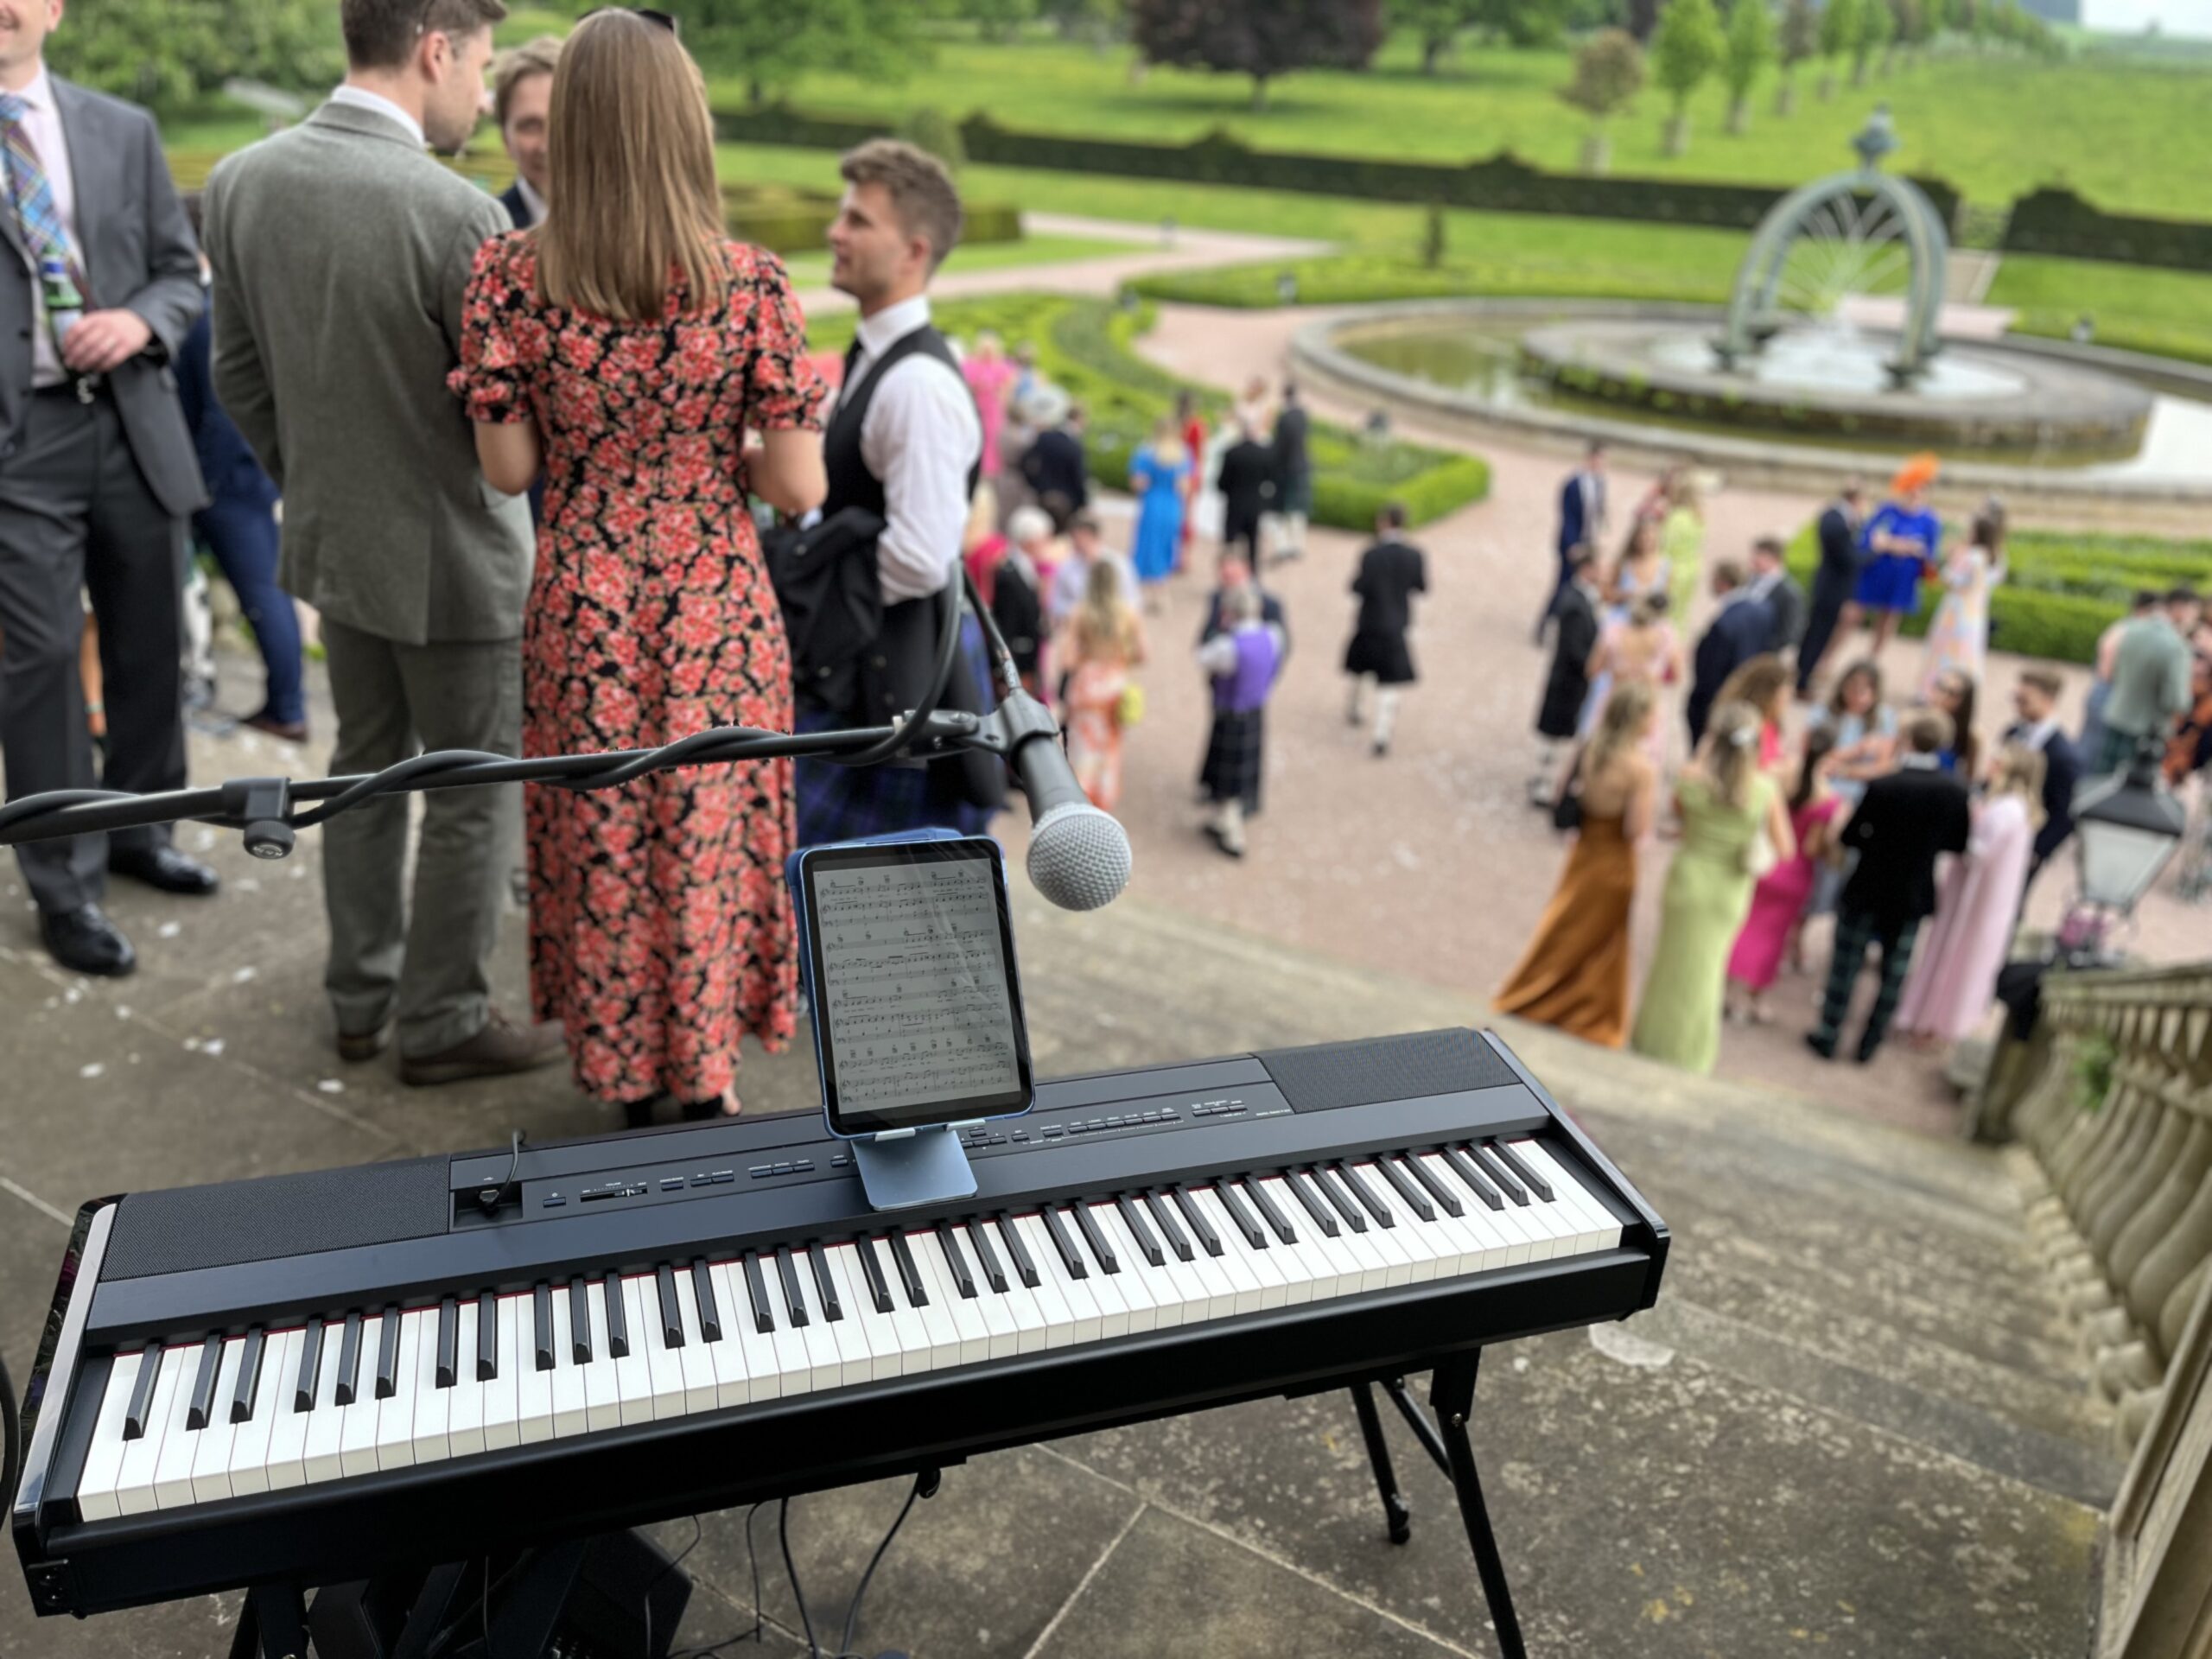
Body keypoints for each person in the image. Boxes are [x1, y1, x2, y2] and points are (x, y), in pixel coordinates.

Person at [452, 10, 825, 1120]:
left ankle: (623, 1079)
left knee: (605, 834)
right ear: (684, 125)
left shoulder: (508, 277)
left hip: (586, 607)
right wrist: (731, 455)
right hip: (716, 604)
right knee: (705, 831)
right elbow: (800, 489)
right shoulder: (750, 284)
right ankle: (705, 1077)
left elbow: (511, 469)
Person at [207, 0, 562, 1079]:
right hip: (463, 565)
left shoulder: (239, 181)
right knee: (469, 797)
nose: (479, 95)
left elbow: (236, 374)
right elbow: (507, 424)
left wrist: (316, 487)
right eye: (483, 66)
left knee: (361, 774)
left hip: (332, 551)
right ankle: (444, 1022)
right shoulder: (457, 214)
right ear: (434, 50)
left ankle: (358, 1000)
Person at [0, 3, 213, 976]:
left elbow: (181, 273)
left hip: (131, 417)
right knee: (40, 660)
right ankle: (64, 886)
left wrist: (138, 323)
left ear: (52, 9)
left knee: (148, 638)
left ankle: (143, 830)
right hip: (18, 440)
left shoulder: (122, 129)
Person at [791, 138, 1003, 845]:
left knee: (846, 929)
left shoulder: (917, 385)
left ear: (913, 251)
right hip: (861, 674)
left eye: (858, 221)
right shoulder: (880, 360)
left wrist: (812, 599)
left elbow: (919, 555)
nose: (835, 232)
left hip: (881, 685)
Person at [175, 194, 303, 742]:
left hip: (225, 481)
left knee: (262, 595)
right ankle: (285, 703)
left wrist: (201, 485)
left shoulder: (207, 312)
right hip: (245, 475)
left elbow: (218, 416)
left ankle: (288, 707)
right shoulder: (242, 298)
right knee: (265, 593)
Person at [1630, 701, 1794, 1075]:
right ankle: (1691, 1053)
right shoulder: (1764, 789)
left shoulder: (1691, 778)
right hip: (1728, 890)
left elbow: (1679, 817)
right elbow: (1785, 848)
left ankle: (1652, 1041)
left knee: (1668, 966)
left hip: (1688, 879)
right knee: (1707, 973)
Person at [1494, 680, 1657, 1047]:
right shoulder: (1640, 769)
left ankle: (1542, 992)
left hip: (1585, 850)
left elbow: (1562, 795)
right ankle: (1580, 1008)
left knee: (1566, 927)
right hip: (1616, 858)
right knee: (1603, 942)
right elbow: (1635, 829)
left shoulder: (1591, 748)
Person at [1805, 709, 1973, 1064]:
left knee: (1845, 965)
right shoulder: (1955, 790)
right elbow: (1958, 843)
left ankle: (1829, 1034)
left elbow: (1852, 836)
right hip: (1913, 892)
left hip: (1868, 884)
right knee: (1893, 974)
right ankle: (1869, 1045)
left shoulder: (1884, 785)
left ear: (1907, 740)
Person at [1891, 741, 2044, 1050]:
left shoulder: (2007, 811)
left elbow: (1980, 853)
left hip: (1973, 905)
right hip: (1973, 900)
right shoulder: (2010, 808)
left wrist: (1962, 828)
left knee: (1956, 959)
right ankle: (1927, 1019)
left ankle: (1933, 1022)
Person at [1726, 725, 1841, 1025]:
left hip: (1765, 862)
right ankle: (1753, 999)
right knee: (1773, 939)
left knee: (1744, 926)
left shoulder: (1776, 775)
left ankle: (1727, 990)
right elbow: (1814, 847)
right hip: (1795, 874)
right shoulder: (1829, 798)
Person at [1197, 582, 1284, 858]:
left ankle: (1233, 835)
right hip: (1256, 710)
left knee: (1228, 779)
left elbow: (1202, 658)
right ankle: (1220, 820)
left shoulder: (1228, 646)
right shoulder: (1273, 635)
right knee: (1238, 775)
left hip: (1231, 714)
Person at [1342, 502, 1427, 758]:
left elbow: (1357, 586)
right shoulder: (1414, 555)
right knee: (1389, 684)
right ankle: (1382, 733)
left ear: (1385, 522)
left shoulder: (1371, 553)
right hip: (1396, 626)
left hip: (1369, 623)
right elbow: (1421, 587)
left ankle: (1356, 709)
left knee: (1359, 670)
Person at [1063, 556, 1145, 811]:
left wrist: (1089, 656)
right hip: (1114, 686)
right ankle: (1103, 801)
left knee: (1082, 749)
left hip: (1087, 686)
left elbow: (1067, 659)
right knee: (1109, 750)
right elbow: (1142, 654)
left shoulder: (1080, 613)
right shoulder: (1128, 614)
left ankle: (1079, 800)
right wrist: (1120, 657)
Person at [2097, 587, 2202, 775]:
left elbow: (2112, 671)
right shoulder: (2177, 647)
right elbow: (2176, 701)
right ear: (2179, 608)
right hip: (2146, 731)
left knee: (2103, 780)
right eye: (2194, 612)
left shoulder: (2132, 628)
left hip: (2116, 716)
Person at [1850, 454, 1942, 657]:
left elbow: (1931, 554)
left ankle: (1872, 659)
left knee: (1888, 619)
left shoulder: (1931, 520)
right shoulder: (1887, 510)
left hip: (1902, 578)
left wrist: (1904, 547)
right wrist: (1898, 545)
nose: (1915, 493)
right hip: (1876, 571)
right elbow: (1868, 538)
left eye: (1921, 488)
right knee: (1852, 614)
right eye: (1912, 488)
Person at [1531, 545, 1600, 807]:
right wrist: (1596, 665)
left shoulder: (1582, 597)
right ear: (1587, 569)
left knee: (1559, 736)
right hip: (1568, 682)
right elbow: (1574, 649)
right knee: (1555, 739)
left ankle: (1547, 783)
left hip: (1570, 681)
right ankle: (1544, 787)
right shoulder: (1574, 603)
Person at [1582, 592, 1682, 768]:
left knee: (1601, 753)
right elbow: (1676, 676)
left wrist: (1616, 668)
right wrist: (1653, 677)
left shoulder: (1614, 632)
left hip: (1615, 699)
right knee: (1642, 759)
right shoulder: (1665, 636)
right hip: (1647, 704)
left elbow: (1592, 670)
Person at [2003, 666, 2080, 893]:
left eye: (2024, 700)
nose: (2017, 706)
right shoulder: (2012, 733)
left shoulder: (2062, 755)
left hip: (2025, 845)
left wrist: (2036, 852)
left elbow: (2066, 812)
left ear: (2048, 700)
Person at [1684, 558, 1772, 749]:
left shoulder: (1724, 625)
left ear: (1723, 582)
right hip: (1747, 695)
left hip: (1718, 698)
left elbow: (1709, 671)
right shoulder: (1764, 610)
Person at [1918, 508, 2005, 702]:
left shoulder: (1971, 556)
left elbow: (1950, 579)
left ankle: (1932, 692)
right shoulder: (1995, 557)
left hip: (1956, 611)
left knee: (1944, 652)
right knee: (1967, 654)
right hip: (1975, 613)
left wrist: (1951, 559)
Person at [1796, 478, 1865, 697]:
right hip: (1832, 590)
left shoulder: (1833, 516)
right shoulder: (1837, 523)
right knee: (1818, 635)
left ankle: (1801, 674)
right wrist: (1875, 550)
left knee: (1813, 633)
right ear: (1856, 499)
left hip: (1826, 586)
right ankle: (1803, 681)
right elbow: (1850, 559)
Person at [2080, 590, 2159, 766]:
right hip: (2108, 692)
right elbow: (2106, 670)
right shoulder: (2128, 629)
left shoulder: (2124, 627)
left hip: (2102, 691)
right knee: (2093, 748)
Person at [1539, 442, 1607, 644]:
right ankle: (1544, 624)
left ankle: (1573, 628)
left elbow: (1597, 513)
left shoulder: (1600, 483)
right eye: (1599, 459)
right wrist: (1571, 546)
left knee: (1586, 586)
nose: (1602, 464)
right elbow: (1567, 517)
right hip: (1572, 545)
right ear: (1590, 458)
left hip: (1587, 543)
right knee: (1563, 586)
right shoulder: (1572, 483)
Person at [492, 35, 558, 229]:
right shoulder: (489, 230)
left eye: (561, 123)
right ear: (505, 138)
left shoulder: (626, 224)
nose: (546, 146)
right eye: (530, 126)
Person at [1128, 416, 1189, 601]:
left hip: (1153, 502)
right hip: (1172, 504)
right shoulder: (1182, 455)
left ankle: (1139, 588)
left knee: (1147, 543)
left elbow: (1138, 483)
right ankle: (1160, 588)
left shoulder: (1146, 453)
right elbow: (1184, 488)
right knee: (1166, 544)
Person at [1050, 507, 1139, 629]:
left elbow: (1131, 602)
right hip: (1077, 627)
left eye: (1077, 537)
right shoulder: (1067, 566)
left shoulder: (1119, 564)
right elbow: (1057, 602)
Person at [1016, 391, 1087, 529]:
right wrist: (1082, 502)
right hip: (1067, 501)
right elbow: (1078, 476)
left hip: (1043, 495)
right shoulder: (1073, 445)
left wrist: (1036, 484)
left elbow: (1025, 462)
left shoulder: (1044, 438)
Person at [1712, 653, 1791, 773]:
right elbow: (1736, 764)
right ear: (1767, 696)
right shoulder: (1744, 725)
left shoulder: (1772, 723)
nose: (1786, 704)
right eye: (1782, 699)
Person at [1213, 416, 1274, 569]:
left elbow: (1221, 483)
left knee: (1229, 544)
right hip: (1254, 505)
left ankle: (1227, 575)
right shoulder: (1264, 454)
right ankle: (1252, 575)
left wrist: (1229, 492)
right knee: (1252, 544)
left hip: (1234, 504)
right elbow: (1270, 480)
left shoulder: (1232, 452)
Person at [962, 327, 1017, 481]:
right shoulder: (971, 364)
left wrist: (1000, 393)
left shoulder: (1001, 365)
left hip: (993, 408)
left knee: (993, 437)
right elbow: (967, 384)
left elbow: (1009, 384)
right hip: (977, 407)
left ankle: (991, 468)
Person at [1267, 380, 1311, 563]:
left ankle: (1284, 545)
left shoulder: (1284, 418)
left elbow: (1279, 448)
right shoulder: (1303, 414)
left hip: (1286, 469)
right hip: (1302, 466)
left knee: (1279, 510)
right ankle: (1298, 545)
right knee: (1298, 510)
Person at [1745, 534, 1803, 658]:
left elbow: (1790, 632)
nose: (1754, 560)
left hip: (1763, 654)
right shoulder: (1752, 580)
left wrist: (1765, 646)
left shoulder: (1789, 593)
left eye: (1760, 556)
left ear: (1775, 559)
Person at [1661, 471, 1708, 625]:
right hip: (1692, 567)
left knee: (1666, 612)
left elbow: (1665, 547)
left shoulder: (1676, 517)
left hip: (1675, 569)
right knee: (1682, 613)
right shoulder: (1698, 517)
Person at [1927, 667, 1981, 779]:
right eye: (1941, 688)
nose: (1943, 697)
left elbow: (1969, 777)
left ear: (1964, 700)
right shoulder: (1917, 721)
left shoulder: (1971, 735)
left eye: (1952, 694)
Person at [1175, 388, 1206, 560]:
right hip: (1190, 470)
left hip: (1174, 469)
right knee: (1187, 515)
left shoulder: (1175, 422)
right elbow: (1200, 452)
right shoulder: (1196, 424)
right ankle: (1185, 556)